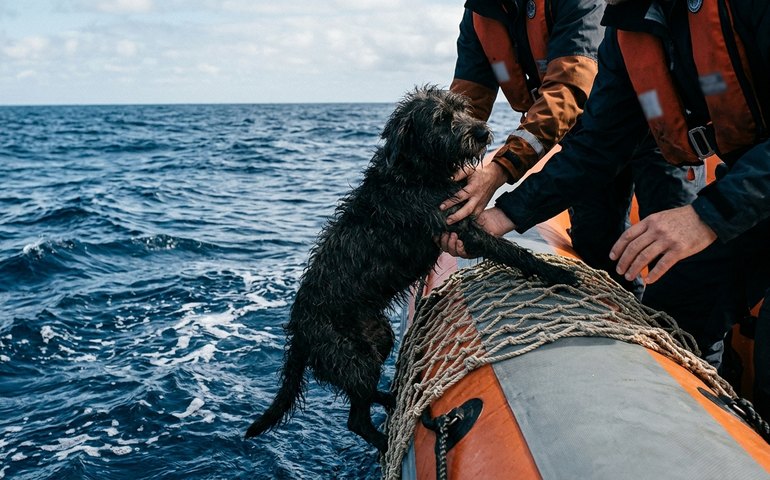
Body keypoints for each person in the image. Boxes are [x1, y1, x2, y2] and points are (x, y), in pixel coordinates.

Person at [440, 0, 770, 416]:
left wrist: (706, 216)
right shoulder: (627, 28)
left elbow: (569, 93)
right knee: (677, 311)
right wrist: (503, 215)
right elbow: (596, 146)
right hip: (749, 189)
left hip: (737, 187)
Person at [443, 0, 702, 298]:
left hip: (660, 137)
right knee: (595, 244)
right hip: (588, 149)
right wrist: (449, 165)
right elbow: (468, 98)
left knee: (677, 269)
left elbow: (568, 89)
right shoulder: (481, 11)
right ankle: (625, 321)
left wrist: (501, 169)